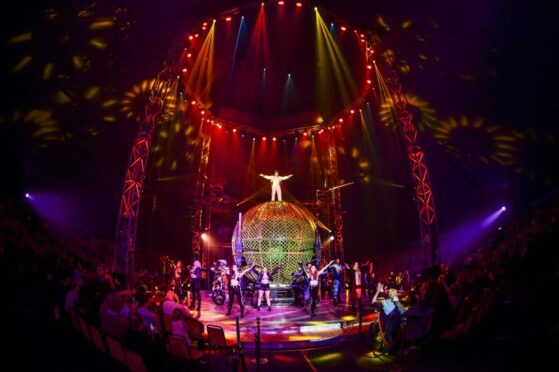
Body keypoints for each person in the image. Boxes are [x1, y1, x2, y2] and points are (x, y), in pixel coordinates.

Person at [371, 283, 406, 354]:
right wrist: (398, 302)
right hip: (395, 328)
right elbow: (403, 312)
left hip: (385, 326)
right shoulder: (397, 304)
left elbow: (373, 302)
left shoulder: (384, 302)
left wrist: (377, 291)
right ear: (395, 295)